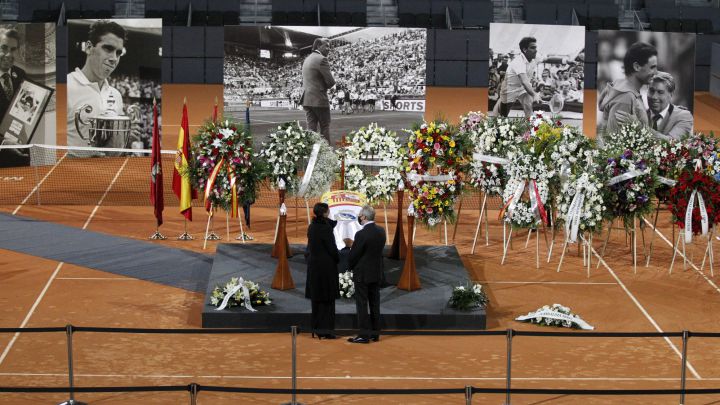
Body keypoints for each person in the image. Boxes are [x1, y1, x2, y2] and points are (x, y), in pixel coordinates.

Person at [66, 20, 140, 156]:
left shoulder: (116, 95)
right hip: (71, 175)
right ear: (89, 48)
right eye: (108, 49)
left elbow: (111, 150)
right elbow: (46, 148)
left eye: (118, 53)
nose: (114, 58)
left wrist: (125, 141)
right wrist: (82, 160)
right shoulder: (65, 87)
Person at [597, 41, 657, 141]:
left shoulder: (634, 94)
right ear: (636, 67)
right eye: (652, 67)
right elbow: (614, 144)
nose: (655, 72)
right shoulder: (625, 98)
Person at [347, 205, 386, 344]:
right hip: (376, 273)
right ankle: (375, 334)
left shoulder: (361, 234)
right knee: (375, 303)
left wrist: (349, 266)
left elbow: (354, 255)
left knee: (362, 304)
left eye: (360, 215)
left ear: (363, 217)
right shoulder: (381, 231)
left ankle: (364, 335)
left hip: (362, 275)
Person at [305, 202, 340, 340]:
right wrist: (337, 259)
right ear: (325, 213)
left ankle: (316, 328)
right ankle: (327, 331)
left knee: (316, 299)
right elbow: (332, 249)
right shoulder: (326, 229)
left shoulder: (312, 226)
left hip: (314, 268)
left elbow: (330, 224)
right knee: (328, 300)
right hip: (326, 269)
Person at [0, 28, 29, 168]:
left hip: (20, 150)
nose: (8, 54)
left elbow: (25, 111)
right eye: (4, 48)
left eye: (13, 49)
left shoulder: (21, 74)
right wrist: (4, 143)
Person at [300, 37, 335, 142]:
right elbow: (331, 82)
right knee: (324, 127)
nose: (329, 49)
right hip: (319, 99)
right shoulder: (322, 59)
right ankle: (326, 155)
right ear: (319, 46)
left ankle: (312, 154)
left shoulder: (307, 59)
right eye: (327, 46)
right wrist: (322, 87)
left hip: (307, 99)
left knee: (311, 129)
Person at [499, 37, 539, 118]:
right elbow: (524, 81)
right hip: (509, 89)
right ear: (524, 50)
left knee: (528, 107)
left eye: (536, 47)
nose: (536, 50)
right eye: (532, 48)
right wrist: (535, 94)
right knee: (502, 117)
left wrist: (565, 61)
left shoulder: (534, 58)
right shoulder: (518, 62)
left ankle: (530, 128)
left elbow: (548, 59)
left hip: (523, 88)